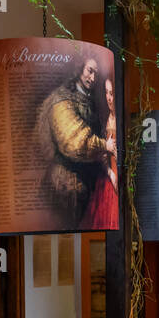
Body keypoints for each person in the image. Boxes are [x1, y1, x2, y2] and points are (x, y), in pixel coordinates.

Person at [40, 58, 109, 228]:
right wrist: (103, 146)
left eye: (96, 74)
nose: (92, 78)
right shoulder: (61, 99)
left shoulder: (88, 100)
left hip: (85, 182)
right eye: (89, 71)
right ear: (80, 69)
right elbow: (74, 141)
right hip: (64, 183)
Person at [83, 76, 119, 229]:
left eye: (112, 94)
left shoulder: (119, 120)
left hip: (120, 179)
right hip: (108, 177)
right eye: (107, 93)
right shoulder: (105, 119)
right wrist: (110, 173)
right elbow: (102, 155)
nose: (109, 98)